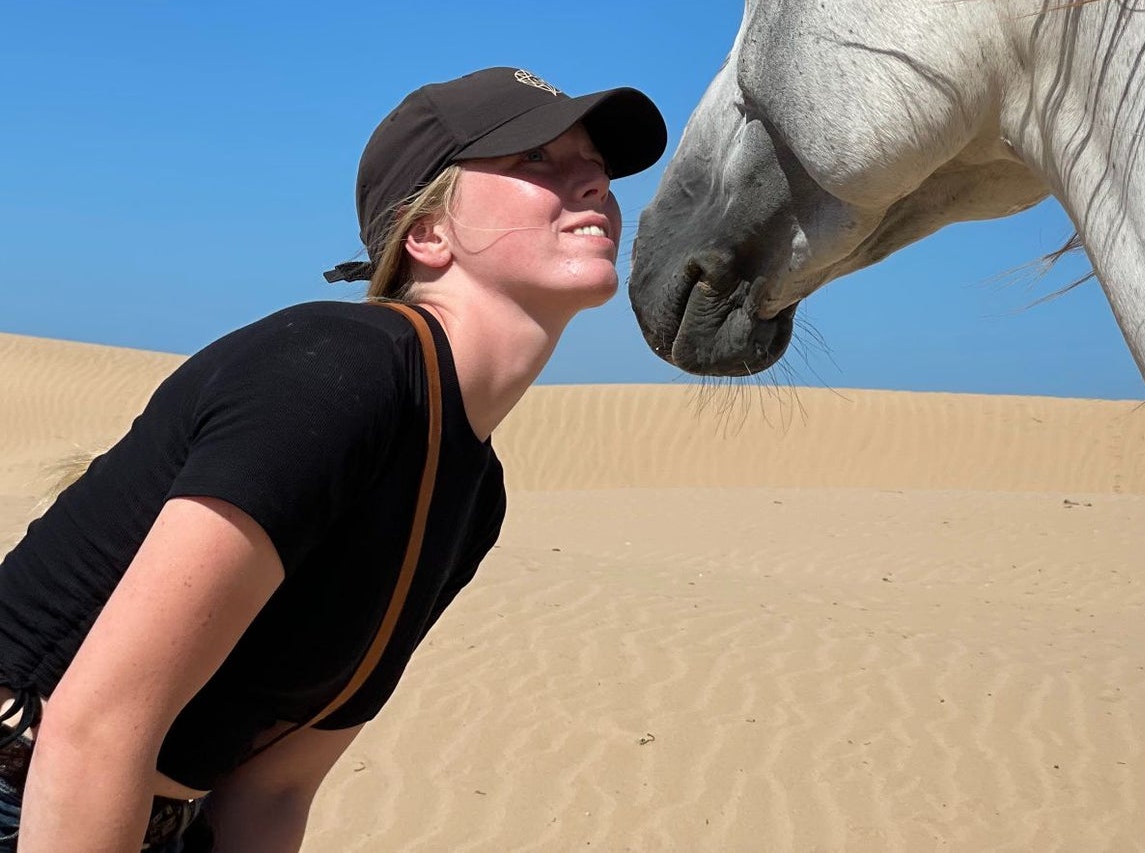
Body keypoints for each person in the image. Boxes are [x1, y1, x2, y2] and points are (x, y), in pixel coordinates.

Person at [0, 66, 664, 852]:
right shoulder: (334, 373)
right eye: (536, 158)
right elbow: (93, 729)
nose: (595, 183)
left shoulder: (471, 489)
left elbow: (275, 786)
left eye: (596, 163)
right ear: (428, 234)